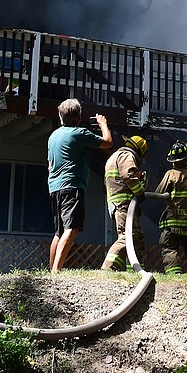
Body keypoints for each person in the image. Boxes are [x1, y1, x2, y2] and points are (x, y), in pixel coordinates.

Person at [47, 99, 112, 273]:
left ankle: (51, 271)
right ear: (78, 118)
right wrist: (102, 124)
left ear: (60, 116)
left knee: (59, 232)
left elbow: (49, 164)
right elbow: (107, 142)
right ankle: (56, 271)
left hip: (54, 187)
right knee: (72, 228)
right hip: (72, 186)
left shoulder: (53, 136)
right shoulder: (78, 133)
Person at [155, 141, 187, 275]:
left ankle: (175, 277)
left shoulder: (171, 174)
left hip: (174, 222)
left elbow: (159, 193)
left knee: (169, 249)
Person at [101, 134, 149, 271]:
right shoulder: (127, 156)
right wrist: (140, 191)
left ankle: (135, 271)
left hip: (119, 202)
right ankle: (107, 268)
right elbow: (128, 176)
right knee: (126, 237)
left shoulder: (116, 156)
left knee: (136, 237)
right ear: (139, 151)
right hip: (124, 202)